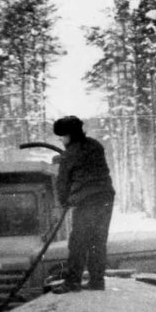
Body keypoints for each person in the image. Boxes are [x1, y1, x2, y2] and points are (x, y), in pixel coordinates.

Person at [51, 115, 115, 292]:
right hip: (106, 199)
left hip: (86, 202)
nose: (61, 141)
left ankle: (72, 282)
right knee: (98, 241)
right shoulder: (95, 145)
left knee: (78, 241)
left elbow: (62, 183)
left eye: (62, 137)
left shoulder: (69, 154)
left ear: (69, 136)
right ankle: (97, 281)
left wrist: (64, 201)